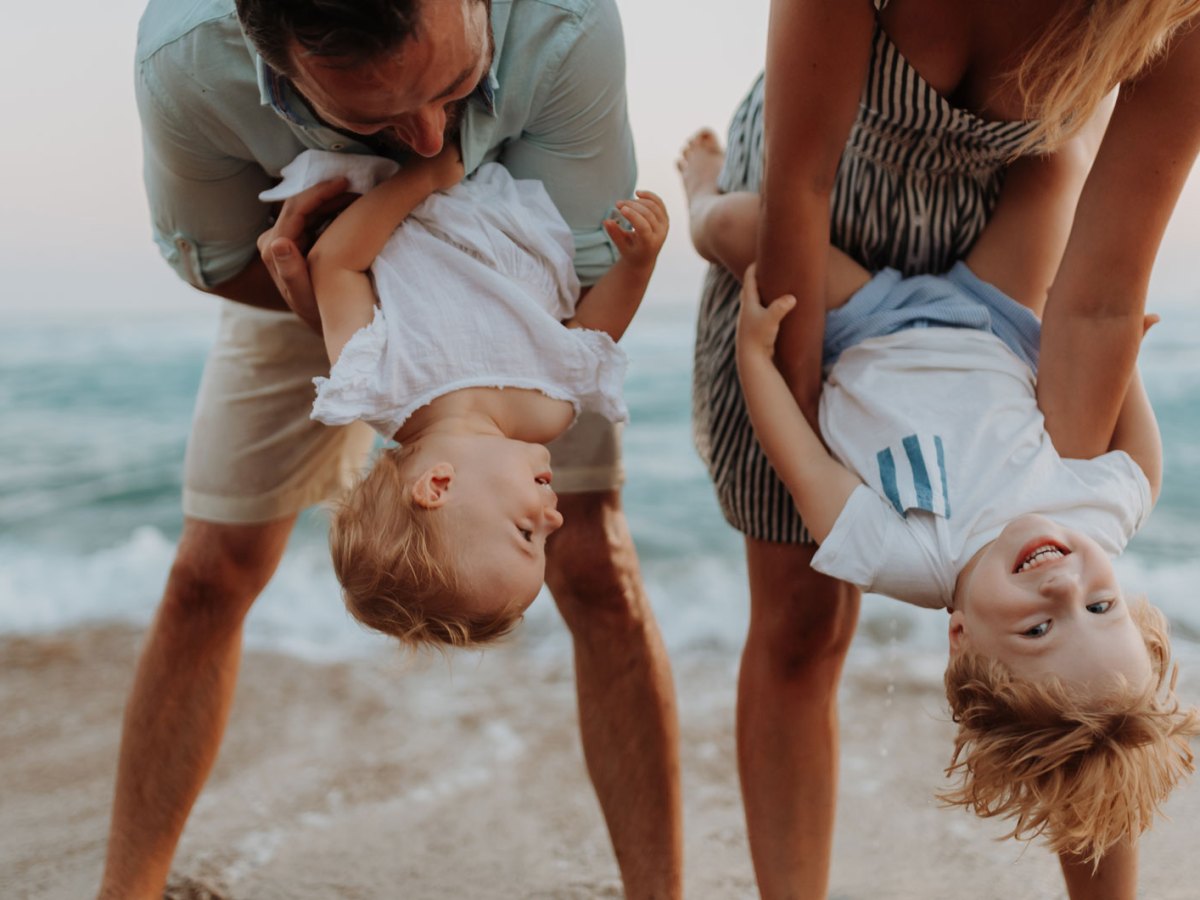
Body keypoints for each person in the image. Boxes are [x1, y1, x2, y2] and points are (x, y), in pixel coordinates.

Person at [105, 0, 682, 896]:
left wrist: (359, 276)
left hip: (445, 287)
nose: (421, 133)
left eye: (456, 86)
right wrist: (314, 295)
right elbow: (221, 255)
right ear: (282, 64)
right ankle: (127, 887)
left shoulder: (561, 27)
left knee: (598, 567)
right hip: (298, 270)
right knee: (211, 569)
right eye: (373, 116)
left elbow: (581, 270)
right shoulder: (188, 59)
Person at [690, 0, 1200, 896]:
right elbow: (1133, 443)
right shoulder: (1096, 520)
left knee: (1084, 726)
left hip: (868, 327)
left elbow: (807, 460)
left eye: (1042, 623)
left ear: (960, 639)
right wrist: (1127, 373)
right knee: (801, 627)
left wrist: (781, 377)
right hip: (845, 217)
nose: (1062, 585)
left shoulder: (910, 554)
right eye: (1100, 605)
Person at [260, 147, 666, 645]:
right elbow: (589, 333)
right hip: (522, 182)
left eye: (526, 534)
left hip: (399, 171)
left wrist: (423, 177)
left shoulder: (376, 384)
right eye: (547, 539)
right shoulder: (548, 411)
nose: (554, 517)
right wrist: (639, 266)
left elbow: (336, 264)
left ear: (437, 487)